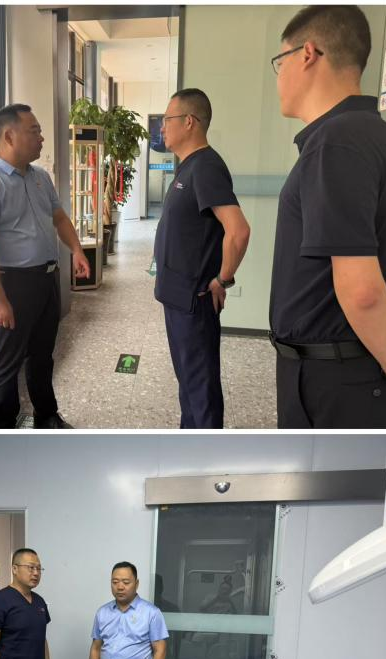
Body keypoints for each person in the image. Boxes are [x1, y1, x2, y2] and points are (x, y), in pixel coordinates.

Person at [269, 5, 386, 428]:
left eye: (280, 62)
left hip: (332, 380)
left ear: (307, 54)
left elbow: (363, 291)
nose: (279, 77)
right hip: (364, 371)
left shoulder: (334, 144)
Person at [0, 104, 90, 429]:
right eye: (34, 131)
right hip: (13, 285)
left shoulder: (40, 177)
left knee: (43, 354)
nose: (41, 138)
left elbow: (59, 218)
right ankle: (5, 430)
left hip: (46, 279)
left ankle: (46, 415)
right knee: (7, 363)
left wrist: (76, 250)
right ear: (9, 136)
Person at [154, 88, 251, 428]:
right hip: (177, 298)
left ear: (189, 122)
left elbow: (239, 231)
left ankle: (206, 444)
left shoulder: (206, 167)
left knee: (201, 390)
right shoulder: (188, 167)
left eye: (167, 119)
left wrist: (223, 279)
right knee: (188, 385)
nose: (162, 127)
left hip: (193, 303)